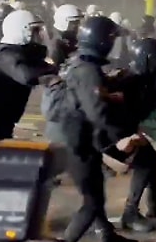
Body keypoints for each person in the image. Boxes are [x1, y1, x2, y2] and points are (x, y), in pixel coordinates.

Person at [58, 16, 135, 242]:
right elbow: (97, 113)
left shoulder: (81, 63)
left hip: (78, 138)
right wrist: (123, 134)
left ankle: (107, 235)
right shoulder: (88, 71)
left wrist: (108, 86)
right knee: (92, 202)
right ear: (102, 41)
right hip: (77, 142)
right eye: (112, 38)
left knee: (96, 192)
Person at [103, 38, 156, 232]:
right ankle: (130, 213)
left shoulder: (146, 79)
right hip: (115, 136)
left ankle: (154, 205)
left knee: (150, 158)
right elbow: (115, 111)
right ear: (146, 60)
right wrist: (127, 138)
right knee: (145, 162)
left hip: (129, 131)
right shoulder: (126, 81)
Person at [0, 10, 57, 153]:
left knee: (7, 168)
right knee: (7, 167)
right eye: (35, 31)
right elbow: (26, 75)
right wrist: (53, 73)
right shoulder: (4, 54)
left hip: (1, 125)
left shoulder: (19, 53)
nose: (38, 35)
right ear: (21, 31)